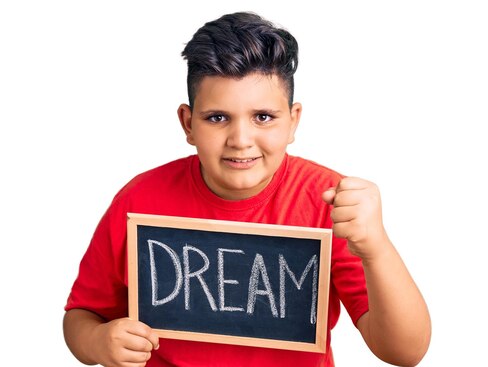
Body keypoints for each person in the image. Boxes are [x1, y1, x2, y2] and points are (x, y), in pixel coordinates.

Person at [63, 11, 431, 367]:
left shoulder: (331, 202)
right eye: (218, 117)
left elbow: (404, 352)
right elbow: (82, 315)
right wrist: (98, 343)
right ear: (188, 124)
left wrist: (376, 247)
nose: (240, 140)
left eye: (263, 117)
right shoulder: (139, 199)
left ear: (293, 121)